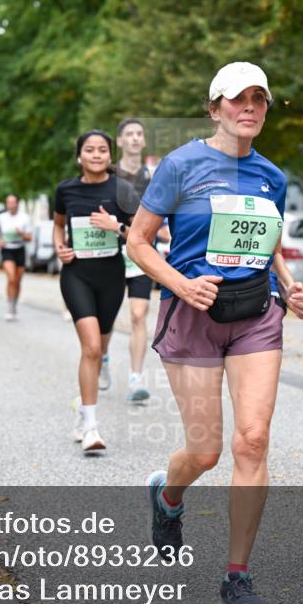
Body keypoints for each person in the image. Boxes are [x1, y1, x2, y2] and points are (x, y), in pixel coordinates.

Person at [126, 62, 303, 604]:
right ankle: (168, 495)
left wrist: (288, 284)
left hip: (256, 315)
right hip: (192, 315)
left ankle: (236, 574)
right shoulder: (181, 165)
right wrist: (181, 283)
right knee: (204, 452)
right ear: (215, 108)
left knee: (252, 440)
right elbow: (138, 242)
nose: (249, 107)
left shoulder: (272, 176)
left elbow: (267, 237)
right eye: (238, 99)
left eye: (259, 98)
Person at [54, 130, 139, 452]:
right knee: (90, 348)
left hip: (111, 275)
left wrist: (115, 227)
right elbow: (58, 224)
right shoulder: (66, 189)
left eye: (102, 150)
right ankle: (91, 426)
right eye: (89, 150)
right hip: (77, 274)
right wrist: (59, 248)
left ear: (109, 156)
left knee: (99, 348)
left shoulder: (122, 190)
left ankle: (83, 406)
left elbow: (141, 234)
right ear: (80, 156)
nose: (96, 155)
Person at [111, 117, 172, 403]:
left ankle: (136, 377)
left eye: (139, 134)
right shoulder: (109, 174)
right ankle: (99, 356)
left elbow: (164, 212)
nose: (135, 138)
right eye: (129, 134)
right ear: (120, 141)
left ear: (143, 141)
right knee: (104, 317)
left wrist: (169, 235)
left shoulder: (154, 174)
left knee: (138, 315)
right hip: (110, 251)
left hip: (142, 250)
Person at [0, 194, 32, 321]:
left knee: (17, 280)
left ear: (17, 203)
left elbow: (29, 237)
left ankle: (14, 304)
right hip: (7, 249)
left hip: (19, 249)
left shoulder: (24, 218)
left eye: (12, 202)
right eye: (8, 202)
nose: (10, 205)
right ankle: (10, 307)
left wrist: (21, 233)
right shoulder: (1, 217)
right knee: (11, 277)